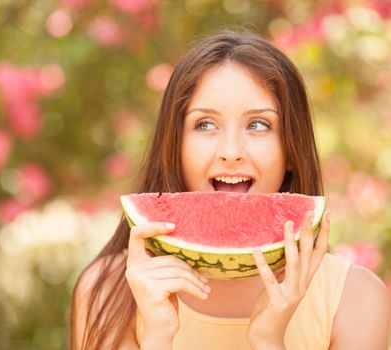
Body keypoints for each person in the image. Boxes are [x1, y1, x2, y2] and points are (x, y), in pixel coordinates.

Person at [70, 30, 391, 349]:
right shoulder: (109, 292)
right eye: (205, 124)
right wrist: (156, 337)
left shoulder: (357, 301)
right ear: (175, 146)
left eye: (258, 125)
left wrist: (268, 340)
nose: (231, 151)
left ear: (291, 150)